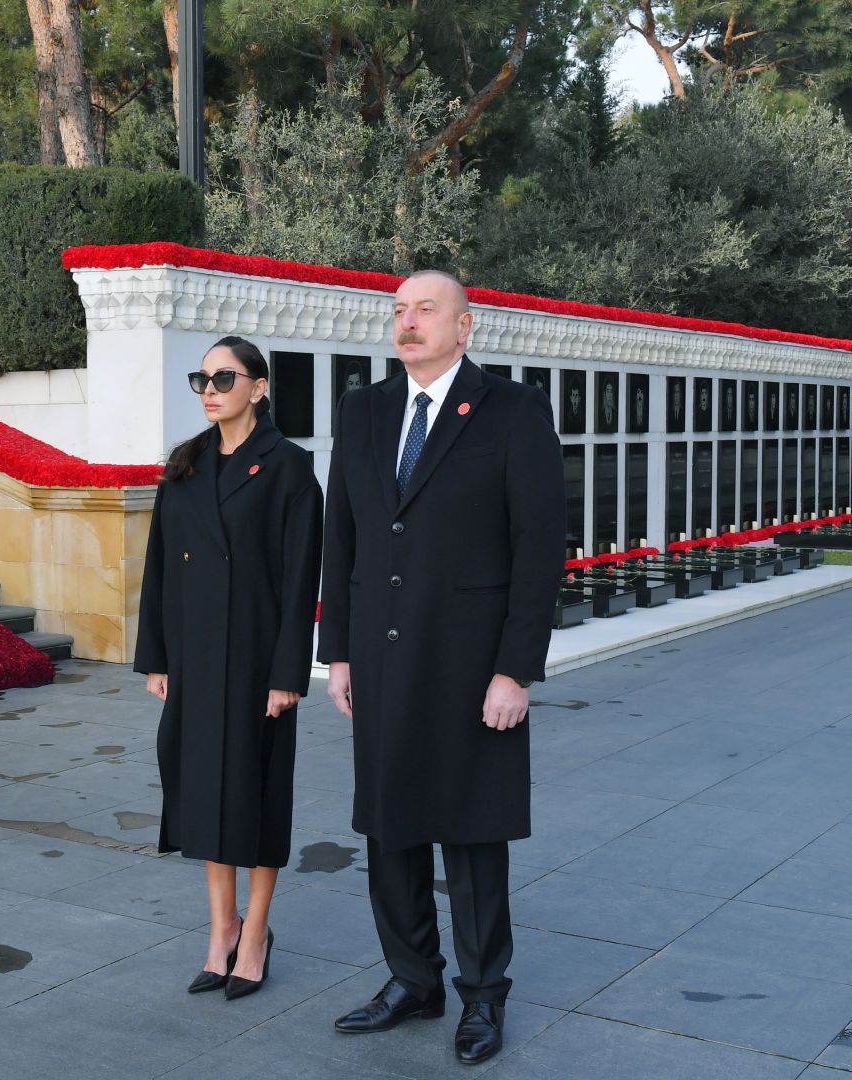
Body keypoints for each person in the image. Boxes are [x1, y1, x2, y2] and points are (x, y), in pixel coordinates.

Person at [318, 270, 565, 1064]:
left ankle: (483, 997)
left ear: (465, 326)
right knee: (389, 828)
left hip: (469, 664)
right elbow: (342, 540)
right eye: (399, 310)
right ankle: (411, 980)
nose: (408, 322)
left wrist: (515, 669)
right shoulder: (362, 411)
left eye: (427, 310)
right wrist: (340, 652)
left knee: (470, 832)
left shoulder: (513, 412)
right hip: (383, 659)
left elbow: (538, 550)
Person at [134, 335, 323, 1001]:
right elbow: (159, 567)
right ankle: (222, 929)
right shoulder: (185, 465)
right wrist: (156, 656)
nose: (209, 389)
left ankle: (258, 930)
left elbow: (301, 579)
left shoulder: (289, 468)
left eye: (224, 376)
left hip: (256, 661)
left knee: (259, 794)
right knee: (204, 795)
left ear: (259, 387)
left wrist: (287, 674)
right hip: (195, 657)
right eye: (201, 378)